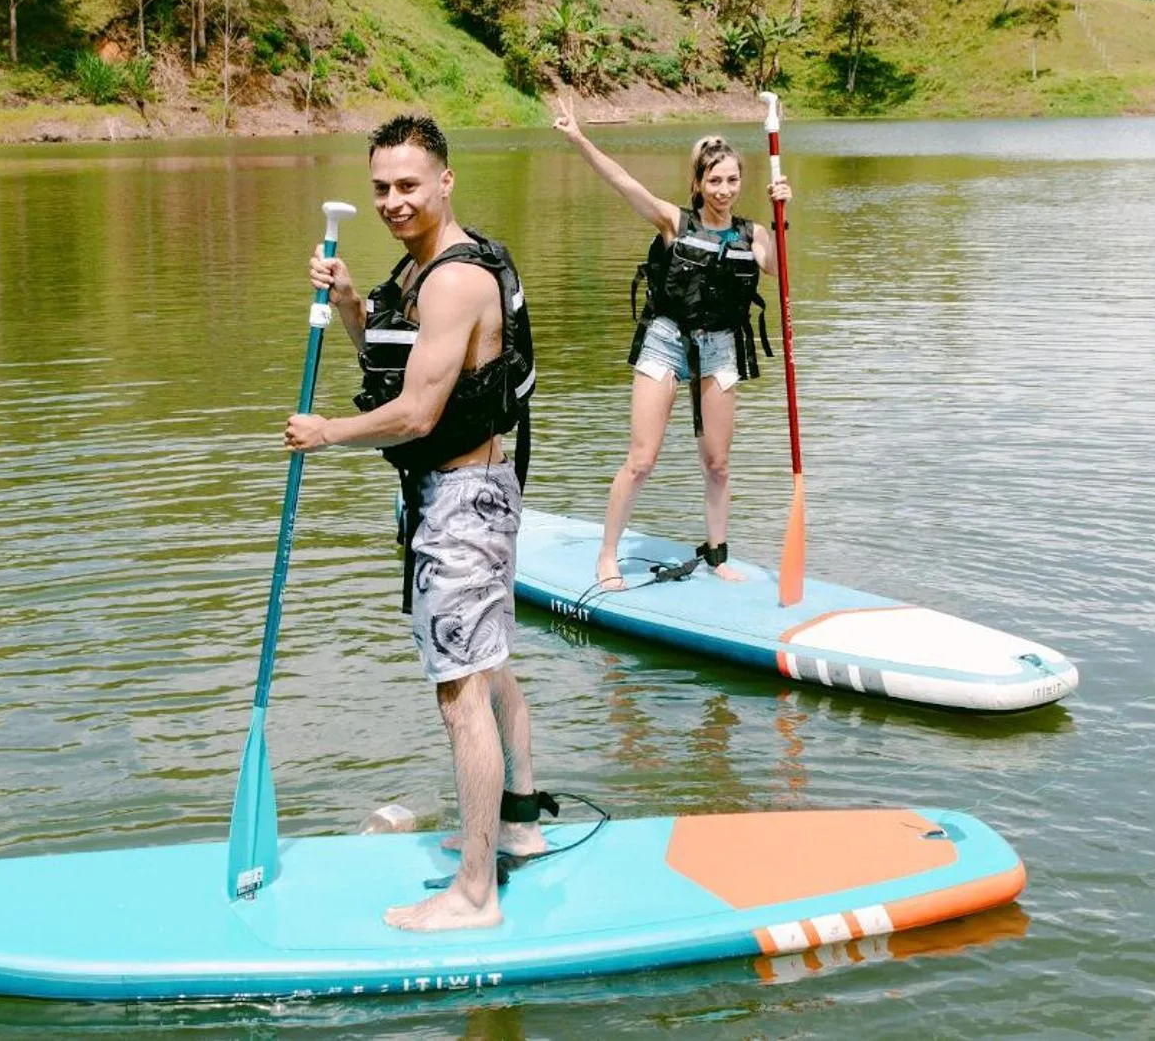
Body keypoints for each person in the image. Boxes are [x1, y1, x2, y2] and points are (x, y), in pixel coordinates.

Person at [282, 114, 545, 932]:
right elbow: (397, 360)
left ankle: (474, 894)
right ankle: (521, 826)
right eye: (381, 189)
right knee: (491, 665)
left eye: (408, 185)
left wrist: (326, 432)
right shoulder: (424, 267)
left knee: (460, 691)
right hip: (474, 495)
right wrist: (357, 302)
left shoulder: (456, 279)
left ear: (445, 181)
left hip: (464, 504)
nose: (393, 201)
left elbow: (420, 411)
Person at [553, 98, 792, 590]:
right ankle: (607, 554)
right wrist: (579, 139)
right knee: (642, 459)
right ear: (698, 183)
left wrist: (783, 213)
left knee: (719, 464)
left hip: (721, 348)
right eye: (715, 181)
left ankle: (717, 553)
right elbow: (623, 183)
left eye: (732, 180)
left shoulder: (754, 233)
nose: (724, 191)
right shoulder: (673, 222)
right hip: (666, 342)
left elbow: (776, 267)